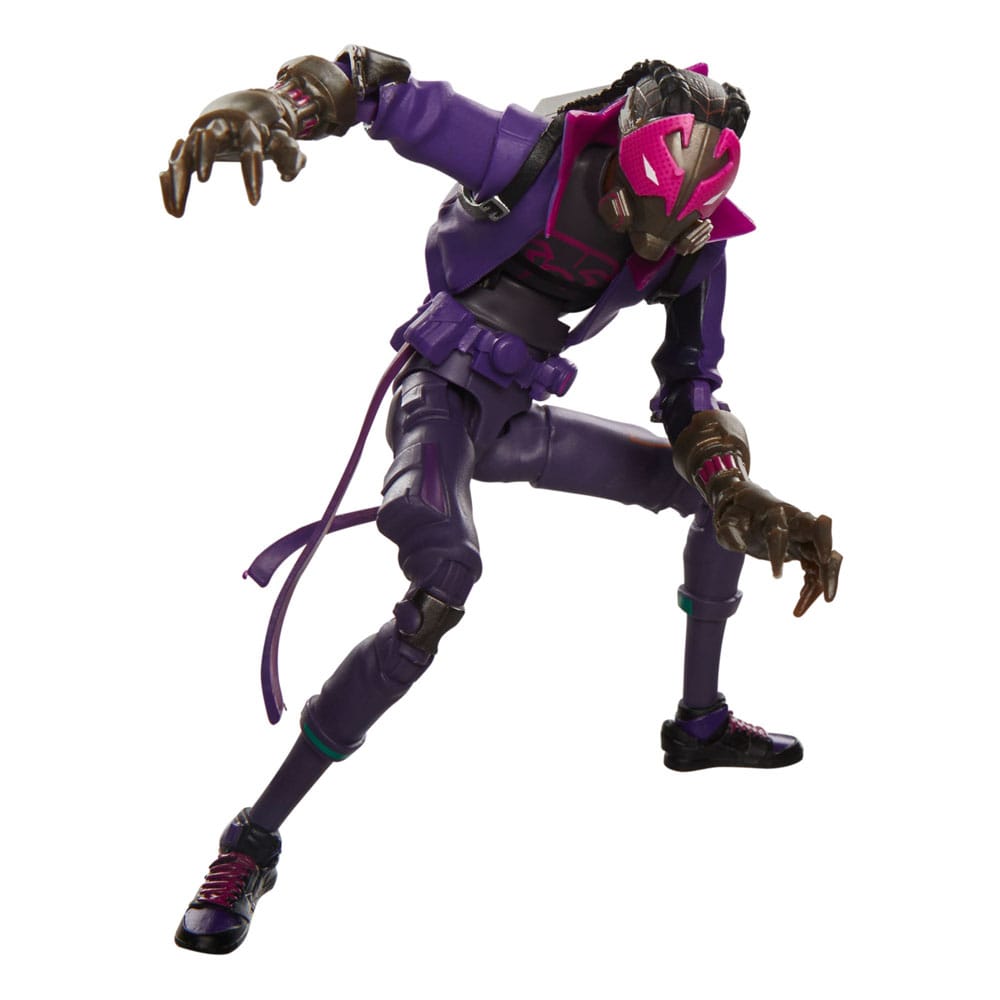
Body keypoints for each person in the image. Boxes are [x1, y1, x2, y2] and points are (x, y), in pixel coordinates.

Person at [161, 47, 842, 955]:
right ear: (615, 161)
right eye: (635, 212)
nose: (650, 241)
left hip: (517, 417)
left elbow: (689, 385)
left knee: (713, 500)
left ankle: (700, 723)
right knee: (442, 583)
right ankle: (251, 841)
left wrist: (732, 486)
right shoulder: (533, 157)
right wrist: (279, 107)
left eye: (676, 227)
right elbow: (379, 94)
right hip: (439, 397)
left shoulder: (695, 242)